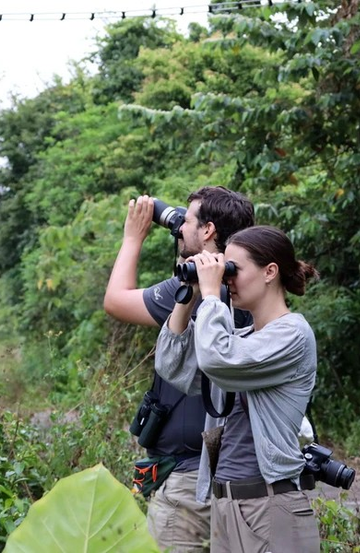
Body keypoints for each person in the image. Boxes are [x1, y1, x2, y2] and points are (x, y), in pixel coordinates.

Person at [104, 187, 255, 552]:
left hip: (189, 481)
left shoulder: (193, 286)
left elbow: (114, 300)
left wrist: (132, 238)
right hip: (231, 473)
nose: (179, 227)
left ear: (208, 232)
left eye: (186, 221)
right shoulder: (250, 287)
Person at [154, 225, 321, 553]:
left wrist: (213, 294)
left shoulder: (293, 335)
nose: (226, 278)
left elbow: (218, 359)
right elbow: (173, 367)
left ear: (270, 272)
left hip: (270, 505)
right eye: (224, 269)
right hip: (226, 505)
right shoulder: (243, 340)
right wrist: (189, 295)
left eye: (234, 270)